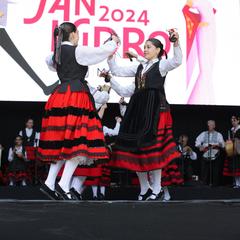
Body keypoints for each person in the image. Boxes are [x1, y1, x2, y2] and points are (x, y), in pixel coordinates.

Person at [38, 22, 119, 200]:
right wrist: (113, 41)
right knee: (80, 142)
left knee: (63, 143)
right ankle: (62, 184)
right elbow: (101, 52)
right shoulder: (78, 51)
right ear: (73, 34)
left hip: (59, 96)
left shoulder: (54, 55)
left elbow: (51, 63)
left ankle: (51, 183)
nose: (79, 36)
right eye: (78, 33)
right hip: (76, 97)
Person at [107, 31, 183, 200]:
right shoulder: (139, 67)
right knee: (135, 148)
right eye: (144, 47)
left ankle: (156, 188)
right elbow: (117, 70)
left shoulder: (161, 66)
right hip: (137, 109)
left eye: (149, 47)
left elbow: (177, 61)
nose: (145, 49)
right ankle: (145, 188)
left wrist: (176, 42)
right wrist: (111, 53)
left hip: (154, 109)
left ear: (158, 50)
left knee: (152, 148)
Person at [195, 120, 225, 186]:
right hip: (206, 152)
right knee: (204, 170)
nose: (210, 126)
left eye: (212, 124)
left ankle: (215, 185)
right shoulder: (203, 133)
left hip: (215, 153)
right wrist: (200, 146)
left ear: (214, 126)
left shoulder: (218, 134)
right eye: (209, 124)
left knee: (215, 170)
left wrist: (217, 145)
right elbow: (197, 142)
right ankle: (204, 184)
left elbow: (222, 144)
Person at [223, 116, 240, 188]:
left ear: (238, 121)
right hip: (233, 150)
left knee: (238, 167)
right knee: (235, 168)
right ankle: (236, 183)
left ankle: (239, 183)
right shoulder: (231, 130)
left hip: (238, 150)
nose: (233, 122)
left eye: (234, 120)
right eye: (232, 121)